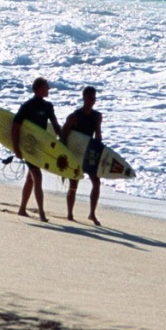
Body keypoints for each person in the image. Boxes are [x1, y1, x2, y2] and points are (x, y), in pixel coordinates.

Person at [11, 77, 61, 222]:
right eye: (46, 87)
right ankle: (41, 213)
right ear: (38, 88)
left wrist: (61, 141)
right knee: (37, 177)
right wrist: (16, 148)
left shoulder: (48, 106)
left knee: (31, 178)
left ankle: (22, 209)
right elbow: (15, 126)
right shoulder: (27, 106)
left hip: (39, 147)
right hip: (27, 147)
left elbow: (55, 125)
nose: (49, 89)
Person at [61, 85, 103, 225]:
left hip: (89, 153)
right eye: (90, 98)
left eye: (94, 98)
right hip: (76, 153)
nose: (93, 101)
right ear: (84, 98)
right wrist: (64, 157)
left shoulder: (97, 116)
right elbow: (64, 137)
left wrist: (99, 154)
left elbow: (98, 136)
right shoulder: (74, 117)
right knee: (74, 183)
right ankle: (70, 213)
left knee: (96, 182)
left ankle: (92, 213)